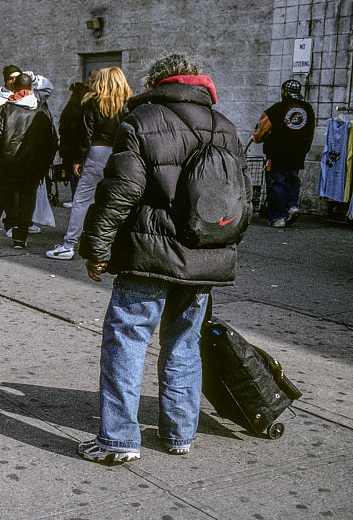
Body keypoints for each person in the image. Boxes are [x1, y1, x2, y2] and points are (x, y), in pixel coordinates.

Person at [76, 53, 251, 464]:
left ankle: (118, 439)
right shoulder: (225, 127)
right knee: (184, 343)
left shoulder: (142, 121)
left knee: (126, 341)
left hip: (150, 254)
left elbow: (119, 193)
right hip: (205, 257)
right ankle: (179, 433)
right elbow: (243, 199)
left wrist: (96, 248)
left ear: (158, 82)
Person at [46, 67, 132, 260]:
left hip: (96, 151)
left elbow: (85, 134)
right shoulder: (128, 104)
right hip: (119, 153)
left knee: (83, 199)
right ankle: (111, 243)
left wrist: (78, 159)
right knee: (115, 200)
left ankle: (69, 244)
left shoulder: (93, 102)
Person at [0, 66, 57, 249]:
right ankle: (20, 238)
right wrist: (44, 166)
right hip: (32, 168)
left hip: (6, 165)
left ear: (14, 88)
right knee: (27, 203)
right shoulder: (42, 111)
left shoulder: (4, 110)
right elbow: (51, 141)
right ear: (31, 89)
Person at [252, 79, 316, 227]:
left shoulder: (275, 110)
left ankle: (277, 218)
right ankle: (292, 206)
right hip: (298, 155)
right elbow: (311, 130)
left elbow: (260, 133)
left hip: (277, 154)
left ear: (284, 92)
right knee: (293, 180)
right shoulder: (308, 110)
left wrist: (256, 137)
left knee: (276, 184)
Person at [56, 82, 90, 203]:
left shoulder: (71, 108)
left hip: (70, 146)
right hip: (79, 146)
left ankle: (75, 197)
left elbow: (63, 129)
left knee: (72, 173)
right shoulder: (85, 106)